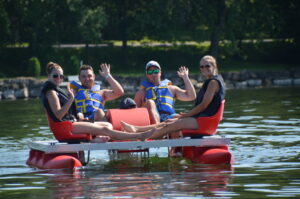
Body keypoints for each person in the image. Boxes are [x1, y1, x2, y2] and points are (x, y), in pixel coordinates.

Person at [40, 61, 153, 142]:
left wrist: (108, 76)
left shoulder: (101, 93)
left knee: (102, 116)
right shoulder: (73, 92)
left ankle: (112, 137)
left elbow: (119, 92)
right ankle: (135, 135)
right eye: (83, 76)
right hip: (79, 120)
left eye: (89, 76)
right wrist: (73, 102)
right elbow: (60, 110)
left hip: (94, 120)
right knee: (103, 124)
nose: (87, 78)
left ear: (94, 77)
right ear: (79, 78)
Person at [121, 55, 225, 140]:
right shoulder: (141, 92)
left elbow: (194, 98)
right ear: (146, 74)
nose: (204, 69)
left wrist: (185, 78)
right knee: (162, 117)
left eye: (207, 66)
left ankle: (138, 132)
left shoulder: (212, 82)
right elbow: (135, 113)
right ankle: (137, 129)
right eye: (202, 67)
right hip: (198, 119)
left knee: (170, 122)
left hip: (202, 121)